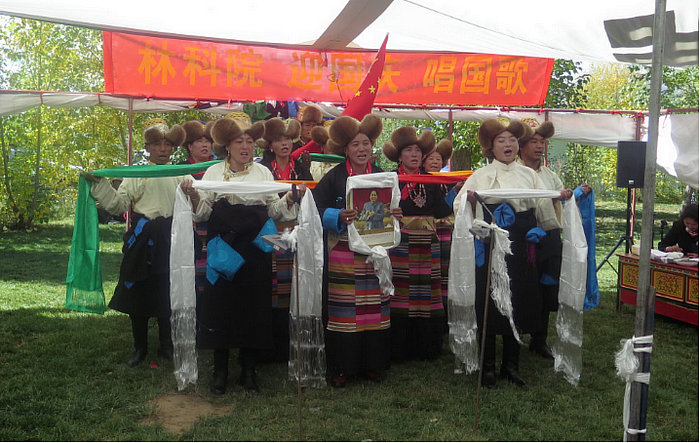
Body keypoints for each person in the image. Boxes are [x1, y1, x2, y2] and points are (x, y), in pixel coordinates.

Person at [180, 112, 303, 395]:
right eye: (239, 141)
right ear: (227, 146)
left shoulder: (263, 173)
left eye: (249, 140)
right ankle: (220, 371)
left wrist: (290, 197)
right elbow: (203, 213)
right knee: (220, 305)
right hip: (223, 247)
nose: (245, 146)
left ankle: (249, 370)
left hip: (257, 248)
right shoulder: (213, 173)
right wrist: (194, 195)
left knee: (254, 305)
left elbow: (274, 211)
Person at [454, 118, 569, 388]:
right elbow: (460, 205)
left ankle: (511, 365)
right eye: (501, 140)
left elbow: (543, 205)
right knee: (490, 300)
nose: (508, 145)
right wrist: (469, 200)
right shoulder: (480, 175)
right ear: (491, 147)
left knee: (516, 299)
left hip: (521, 243)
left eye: (512, 140)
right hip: (491, 242)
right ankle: (488, 366)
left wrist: (556, 202)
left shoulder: (529, 175)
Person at [83, 119, 191, 367]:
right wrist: (100, 183)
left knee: (167, 292)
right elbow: (118, 205)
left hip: (170, 239)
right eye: (157, 144)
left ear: (173, 148)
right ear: (148, 148)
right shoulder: (135, 175)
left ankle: (166, 345)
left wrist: (192, 194)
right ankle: (139, 347)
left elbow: (196, 206)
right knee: (138, 292)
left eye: (167, 144)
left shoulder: (182, 175)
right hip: (142, 239)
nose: (162, 149)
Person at [312, 114, 402, 387]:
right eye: (355, 144)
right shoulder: (334, 177)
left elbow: (392, 208)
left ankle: (372, 364)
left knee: (374, 307)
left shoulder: (383, 176)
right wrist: (337, 215)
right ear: (345, 149)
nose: (362, 149)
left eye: (366, 143)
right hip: (343, 251)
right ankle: (342, 367)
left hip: (376, 250)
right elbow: (315, 208)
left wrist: (396, 213)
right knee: (345, 309)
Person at [383, 127, 453, 362]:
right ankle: (400, 347)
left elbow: (442, 210)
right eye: (408, 150)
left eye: (417, 151)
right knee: (401, 292)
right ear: (399, 156)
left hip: (427, 243)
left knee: (427, 292)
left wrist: (458, 192)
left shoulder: (430, 180)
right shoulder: (390, 179)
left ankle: (427, 346)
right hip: (400, 242)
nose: (414, 154)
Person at [517, 119, 575, 359]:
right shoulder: (514, 173)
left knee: (547, 286)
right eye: (534, 141)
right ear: (521, 146)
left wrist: (565, 195)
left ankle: (539, 339)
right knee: (522, 287)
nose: (539, 146)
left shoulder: (550, 175)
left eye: (542, 142)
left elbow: (560, 196)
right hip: (523, 238)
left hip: (549, 238)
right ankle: (517, 333)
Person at [258, 117, 311, 362]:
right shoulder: (262, 170)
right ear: (270, 145)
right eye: (279, 139)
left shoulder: (300, 168)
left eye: (288, 138)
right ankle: (271, 345)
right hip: (270, 231)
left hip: (297, 231)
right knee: (272, 288)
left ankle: (293, 343)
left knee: (294, 286)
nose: (285, 143)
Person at [421, 139, 458, 319]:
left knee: (447, 269)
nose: (435, 162)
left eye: (438, 159)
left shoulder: (449, 181)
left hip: (448, 232)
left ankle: (447, 308)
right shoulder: (420, 181)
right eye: (431, 159)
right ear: (423, 162)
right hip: (432, 231)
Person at [179, 120, 215, 299]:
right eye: (200, 141)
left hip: (215, 225)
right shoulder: (180, 169)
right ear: (189, 146)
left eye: (208, 141)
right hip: (190, 227)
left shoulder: (219, 168)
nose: (205, 145)